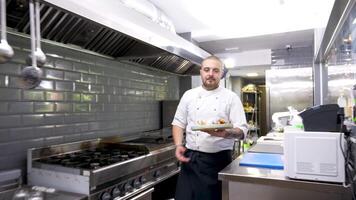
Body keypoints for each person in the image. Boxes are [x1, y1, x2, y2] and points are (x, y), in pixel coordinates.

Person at [172, 55, 248, 200]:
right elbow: (178, 122)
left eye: (215, 70)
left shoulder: (231, 98)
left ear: (221, 74)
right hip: (190, 159)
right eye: (207, 70)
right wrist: (178, 144)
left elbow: (242, 131)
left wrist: (226, 133)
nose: (210, 74)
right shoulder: (189, 95)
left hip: (217, 161)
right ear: (201, 71)